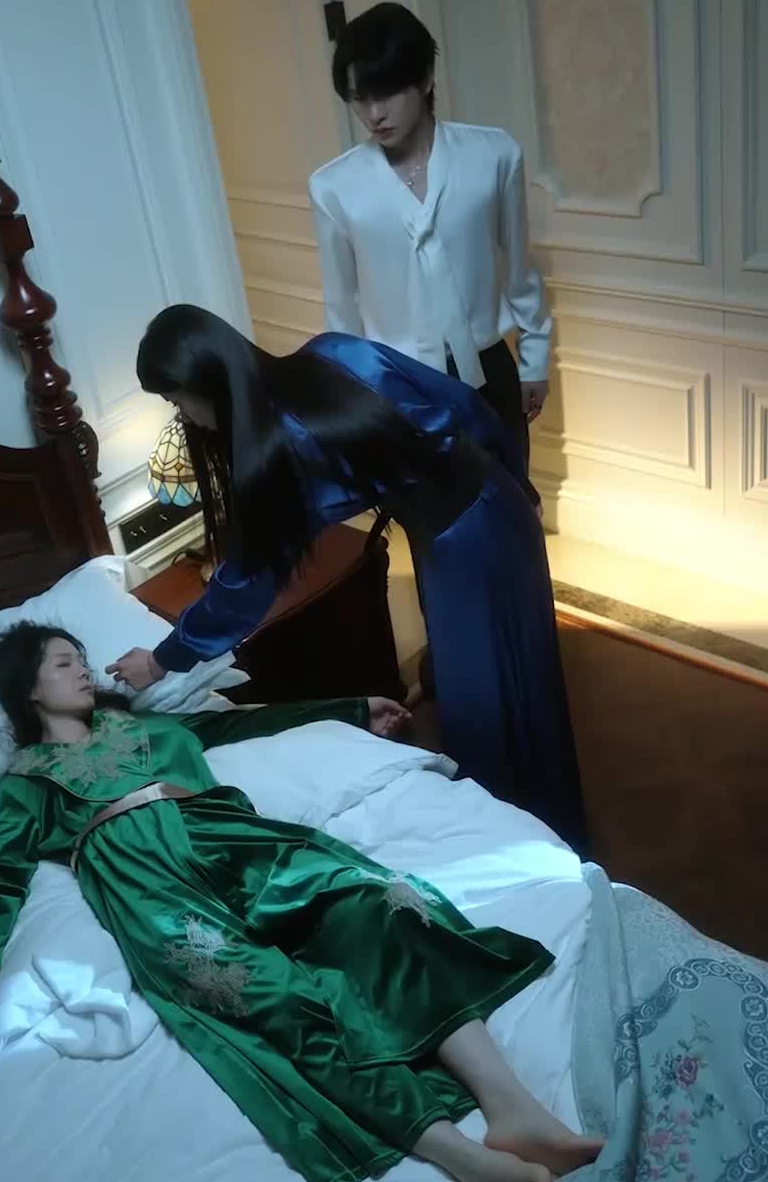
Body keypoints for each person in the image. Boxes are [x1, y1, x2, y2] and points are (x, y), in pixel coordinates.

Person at [0, 622, 602, 1182]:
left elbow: (242, 724)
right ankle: (469, 1160)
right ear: (30, 689)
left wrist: (353, 709)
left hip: (230, 841)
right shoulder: (25, 783)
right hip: (147, 888)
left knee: (371, 906)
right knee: (278, 1001)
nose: (83, 670)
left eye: (82, 658)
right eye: (64, 663)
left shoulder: (143, 726)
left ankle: (510, 1106)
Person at [107, 306, 587, 854]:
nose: (187, 418)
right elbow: (465, 406)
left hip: (463, 543)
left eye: (178, 402)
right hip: (495, 502)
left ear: (207, 385)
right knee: (522, 670)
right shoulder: (333, 351)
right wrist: (516, 483)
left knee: (485, 703)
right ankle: (549, 821)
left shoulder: (284, 449)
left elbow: (245, 584)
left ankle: (520, 840)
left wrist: (163, 659)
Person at [308, 2, 552, 473]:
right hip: (394, 383)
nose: (374, 114)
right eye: (359, 98)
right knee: (424, 510)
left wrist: (535, 358)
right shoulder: (334, 187)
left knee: (511, 500)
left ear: (424, 79)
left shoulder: (493, 155)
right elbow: (341, 307)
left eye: (388, 92)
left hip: (487, 367)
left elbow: (520, 270)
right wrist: (351, 400)